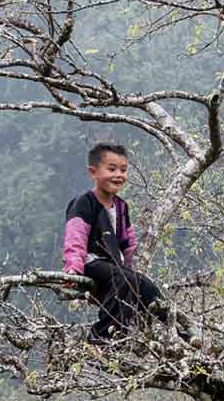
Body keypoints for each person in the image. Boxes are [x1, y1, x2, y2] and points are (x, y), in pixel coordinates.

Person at [62, 143, 166, 345]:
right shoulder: (84, 202)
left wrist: (134, 271)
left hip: (113, 268)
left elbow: (129, 243)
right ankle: (101, 339)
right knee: (124, 279)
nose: (119, 174)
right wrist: (73, 270)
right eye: (112, 169)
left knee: (147, 287)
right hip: (91, 264)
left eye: (123, 170)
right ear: (93, 172)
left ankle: (178, 334)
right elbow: (75, 238)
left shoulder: (121, 206)